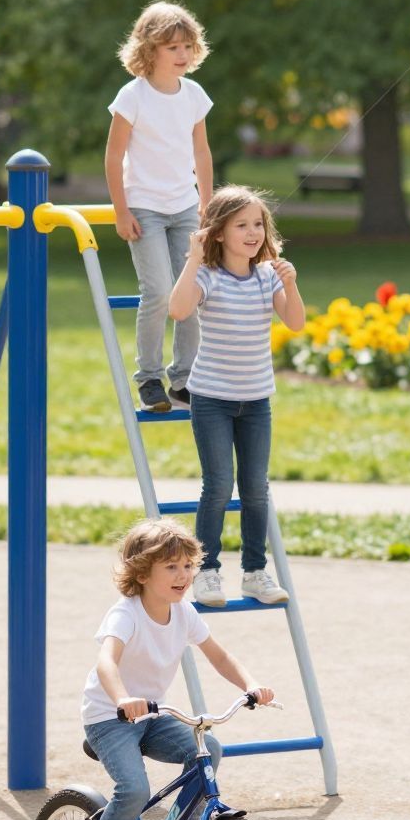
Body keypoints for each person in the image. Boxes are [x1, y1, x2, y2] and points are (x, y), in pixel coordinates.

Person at [76, 518, 275, 820]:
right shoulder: (126, 613)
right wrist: (121, 699)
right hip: (109, 718)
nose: (183, 575)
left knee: (207, 750)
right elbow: (106, 662)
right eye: (171, 567)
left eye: (188, 566)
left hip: (151, 715)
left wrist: (250, 685)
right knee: (134, 789)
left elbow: (219, 656)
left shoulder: (183, 613)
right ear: (142, 572)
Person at [168, 186, 304, 608]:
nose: (252, 233)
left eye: (258, 224)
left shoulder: (267, 276)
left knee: (256, 488)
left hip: (256, 401)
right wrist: (192, 260)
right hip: (212, 399)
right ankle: (206, 573)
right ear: (219, 234)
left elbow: (295, 322)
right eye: (241, 225)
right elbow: (177, 309)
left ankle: (255, 572)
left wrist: (291, 284)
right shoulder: (207, 276)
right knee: (219, 486)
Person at [105, 0, 214, 414]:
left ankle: (184, 379)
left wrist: (207, 205)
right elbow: (114, 157)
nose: (182, 55)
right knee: (156, 292)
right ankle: (149, 377)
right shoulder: (132, 96)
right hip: (145, 208)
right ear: (150, 50)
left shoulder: (194, 95)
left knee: (191, 292)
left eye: (187, 46)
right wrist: (121, 210)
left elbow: (201, 153)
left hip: (185, 207)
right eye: (173, 48)